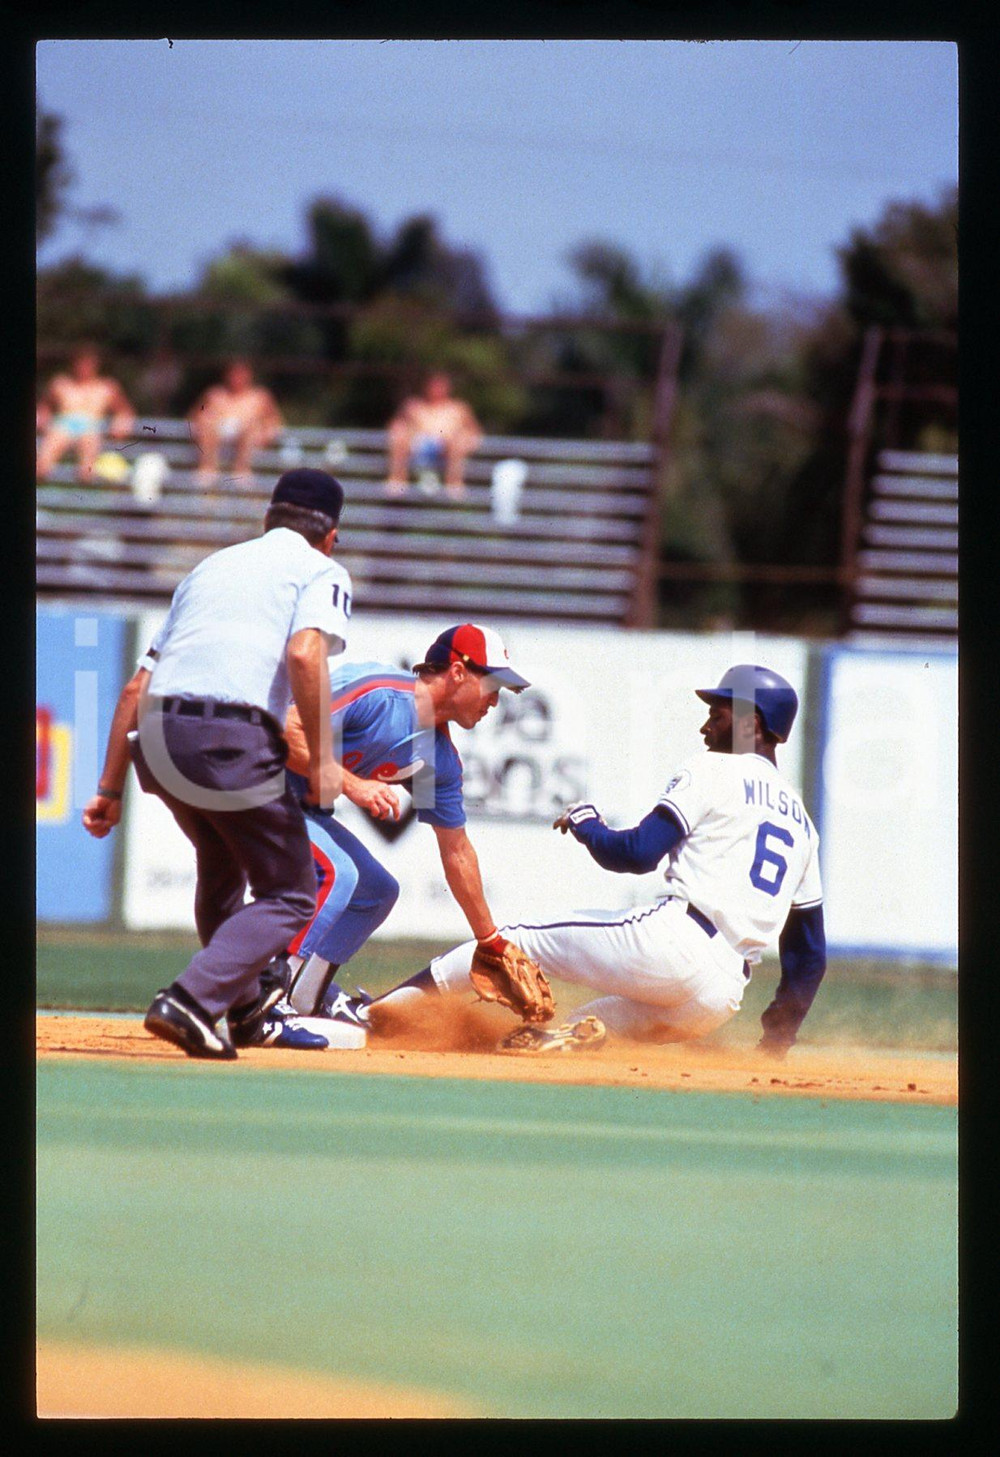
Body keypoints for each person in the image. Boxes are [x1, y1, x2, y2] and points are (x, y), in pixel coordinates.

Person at [364, 665, 827, 1060]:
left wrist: (589, 825)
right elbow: (808, 957)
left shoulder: (714, 768)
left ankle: (373, 1015)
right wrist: (775, 1044)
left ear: (752, 721)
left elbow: (636, 854)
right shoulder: (803, 823)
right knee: (579, 1027)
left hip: (674, 943)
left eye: (718, 714)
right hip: (717, 997)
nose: (706, 728)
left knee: (508, 943)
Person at [81, 468, 356, 1059]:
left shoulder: (210, 568)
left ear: (268, 519)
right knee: (291, 893)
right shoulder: (321, 570)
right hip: (227, 739)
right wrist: (326, 761)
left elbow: (134, 689)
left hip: (154, 740)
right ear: (330, 535)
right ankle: (191, 999)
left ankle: (242, 1011)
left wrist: (108, 788)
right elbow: (306, 656)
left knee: (222, 859)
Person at [264, 624, 531, 1031]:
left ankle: (305, 998)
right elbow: (284, 728)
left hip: (299, 808)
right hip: (252, 784)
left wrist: (490, 941)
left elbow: (456, 849)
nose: (495, 701)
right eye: (492, 684)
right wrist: (352, 784)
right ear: (457, 671)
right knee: (338, 874)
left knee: (376, 892)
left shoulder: (437, 756)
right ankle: (266, 995)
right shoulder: (380, 693)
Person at [36, 345, 135, 483]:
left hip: (90, 426)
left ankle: (84, 482)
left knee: (87, 467)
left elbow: (124, 409)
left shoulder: (106, 387)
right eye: (81, 363)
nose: (84, 367)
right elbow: (45, 405)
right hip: (64, 424)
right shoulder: (61, 384)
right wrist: (42, 416)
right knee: (43, 462)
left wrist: (122, 422)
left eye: (88, 363)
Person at [385, 371, 482, 499]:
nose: (437, 389)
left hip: (446, 448)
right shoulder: (414, 405)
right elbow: (396, 425)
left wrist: (464, 442)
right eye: (434, 386)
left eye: (441, 386)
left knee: (458, 441)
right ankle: (397, 480)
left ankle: (454, 484)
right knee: (399, 433)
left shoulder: (458, 408)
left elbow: (474, 431)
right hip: (418, 445)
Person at [187, 358, 284, 486]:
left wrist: (265, 436)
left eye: (241, 374)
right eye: (234, 374)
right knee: (206, 421)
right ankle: (208, 469)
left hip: (249, 438)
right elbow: (195, 416)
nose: (237, 378)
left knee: (251, 426)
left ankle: (241, 471)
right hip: (217, 434)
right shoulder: (215, 394)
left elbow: (275, 421)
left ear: (249, 375)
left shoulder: (260, 396)